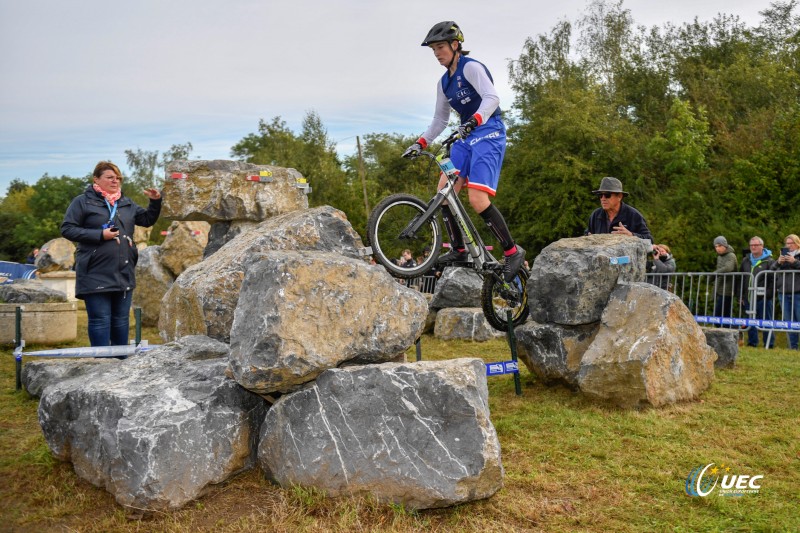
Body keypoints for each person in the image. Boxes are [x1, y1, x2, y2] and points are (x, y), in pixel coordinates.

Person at [403, 21, 525, 283]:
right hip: (465, 136)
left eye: (440, 47)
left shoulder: (472, 67)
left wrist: (474, 120)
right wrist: (420, 143)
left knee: (477, 200)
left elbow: (492, 98)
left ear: (455, 45)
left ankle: (512, 251)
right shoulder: (443, 83)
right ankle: (458, 250)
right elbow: (439, 120)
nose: (436, 53)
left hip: (488, 132)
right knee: (443, 192)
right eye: (433, 49)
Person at [61, 161, 161, 347]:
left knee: (121, 320)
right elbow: (67, 229)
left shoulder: (126, 203)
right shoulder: (82, 202)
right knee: (100, 320)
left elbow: (147, 220)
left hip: (123, 270)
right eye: (110, 177)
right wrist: (100, 234)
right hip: (94, 271)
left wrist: (155, 202)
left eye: (118, 178)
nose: (115, 181)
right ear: (96, 179)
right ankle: (101, 364)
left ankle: (120, 363)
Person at [585, 177, 654, 246]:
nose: (603, 199)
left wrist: (631, 235)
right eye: (600, 195)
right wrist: (589, 239)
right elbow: (586, 236)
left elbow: (649, 241)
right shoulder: (595, 215)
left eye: (607, 195)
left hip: (626, 256)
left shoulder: (634, 215)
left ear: (619, 197)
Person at [738, 236, 775, 348]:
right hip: (748, 296)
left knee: (766, 321)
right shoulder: (745, 260)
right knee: (750, 321)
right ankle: (752, 343)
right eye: (751, 245)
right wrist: (741, 296)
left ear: (762, 246)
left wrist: (768, 294)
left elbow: (773, 280)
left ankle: (769, 344)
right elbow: (740, 278)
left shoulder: (769, 261)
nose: (753, 247)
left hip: (763, 297)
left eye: (756, 245)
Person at [771, 234, 800, 349]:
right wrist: (778, 262)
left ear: (797, 244)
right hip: (783, 292)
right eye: (786, 243)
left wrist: (795, 262)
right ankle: (793, 347)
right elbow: (771, 270)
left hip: (798, 293)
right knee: (789, 321)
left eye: (790, 243)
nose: (788, 246)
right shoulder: (782, 256)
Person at [712, 236, 738, 325]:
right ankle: (725, 333)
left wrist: (715, 273)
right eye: (716, 246)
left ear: (725, 245)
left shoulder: (731, 255)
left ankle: (729, 332)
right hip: (719, 288)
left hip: (728, 290)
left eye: (719, 246)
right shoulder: (719, 257)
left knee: (720, 315)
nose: (717, 248)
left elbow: (728, 268)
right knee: (722, 315)